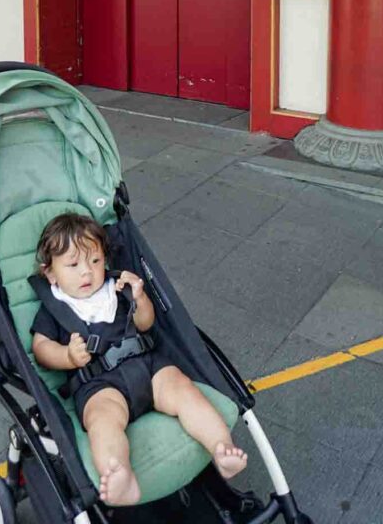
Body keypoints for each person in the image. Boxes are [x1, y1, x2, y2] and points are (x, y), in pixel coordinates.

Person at [30, 212, 247, 506]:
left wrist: (140, 299)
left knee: (184, 391)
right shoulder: (54, 309)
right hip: (99, 383)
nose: (87, 272)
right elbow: (41, 348)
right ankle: (119, 474)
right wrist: (66, 356)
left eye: (95, 261)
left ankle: (221, 448)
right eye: (73, 264)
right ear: (51, 273)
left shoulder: (116, 287)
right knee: (102, 422)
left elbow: (145, 324)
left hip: (148, 364)